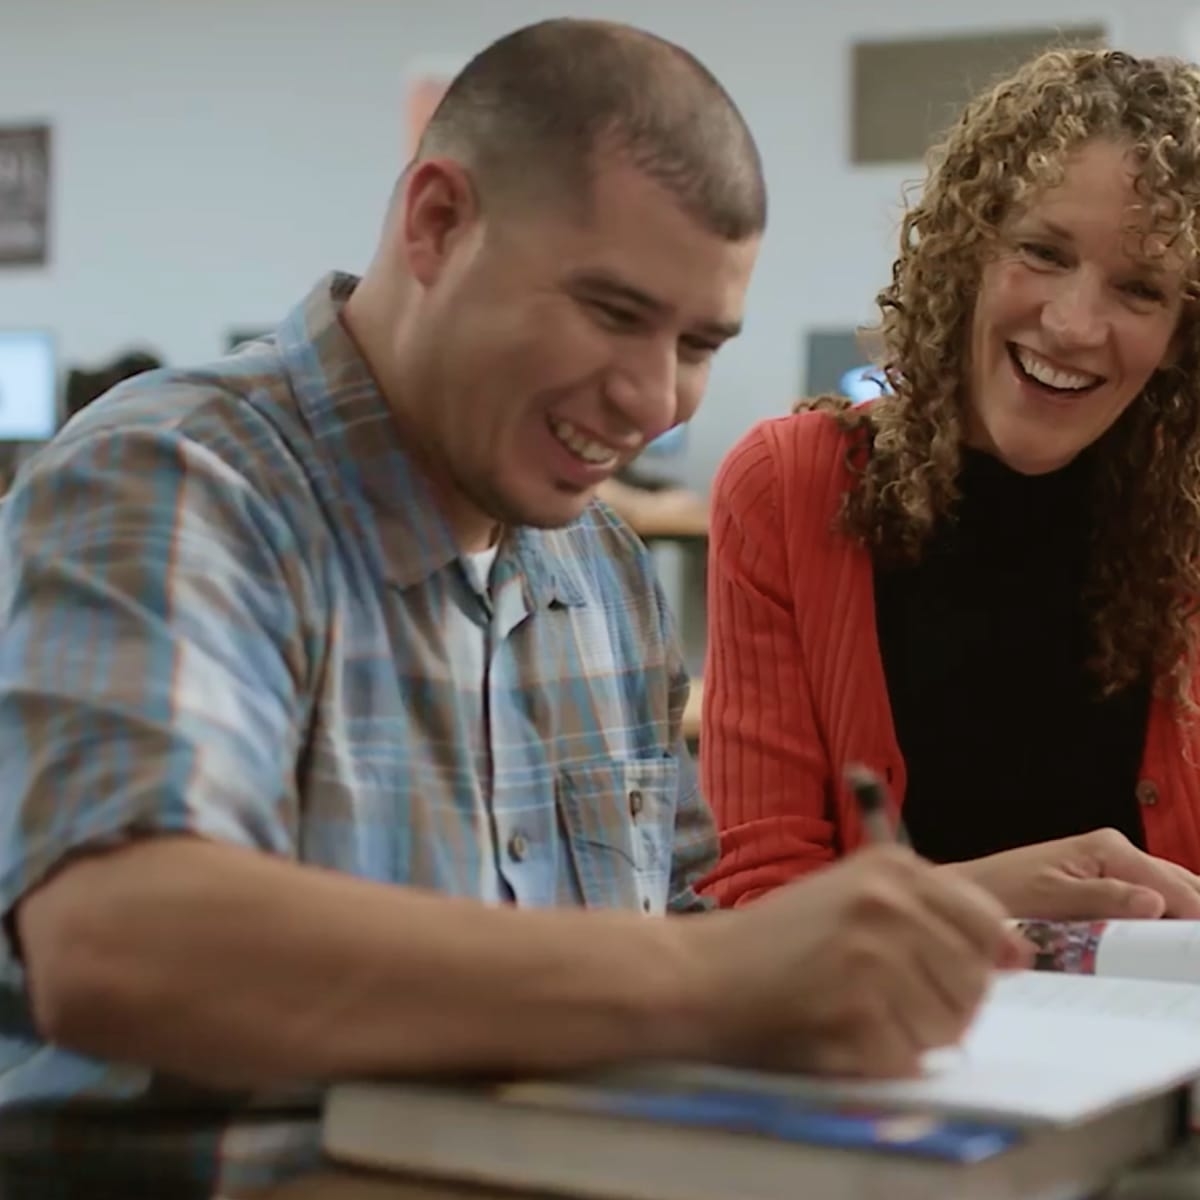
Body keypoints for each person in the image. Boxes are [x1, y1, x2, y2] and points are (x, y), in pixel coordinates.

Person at [0, 19, 1024, 1200]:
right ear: (435, 223)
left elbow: (682, 926)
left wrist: (941, 918)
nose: (656, 401)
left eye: (697, 343)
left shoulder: (596, 561)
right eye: (610, 311)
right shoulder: (176, 478)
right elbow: (122, 941)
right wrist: (712, 983)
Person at [700, 47, 1200, 919]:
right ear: (966, 252)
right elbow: (752, 909)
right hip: (893, 1046)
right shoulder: (788, 489)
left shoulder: (1186, 529)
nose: (1075, 325)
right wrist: (989, 898)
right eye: (1042, 252)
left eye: (1140, 289)